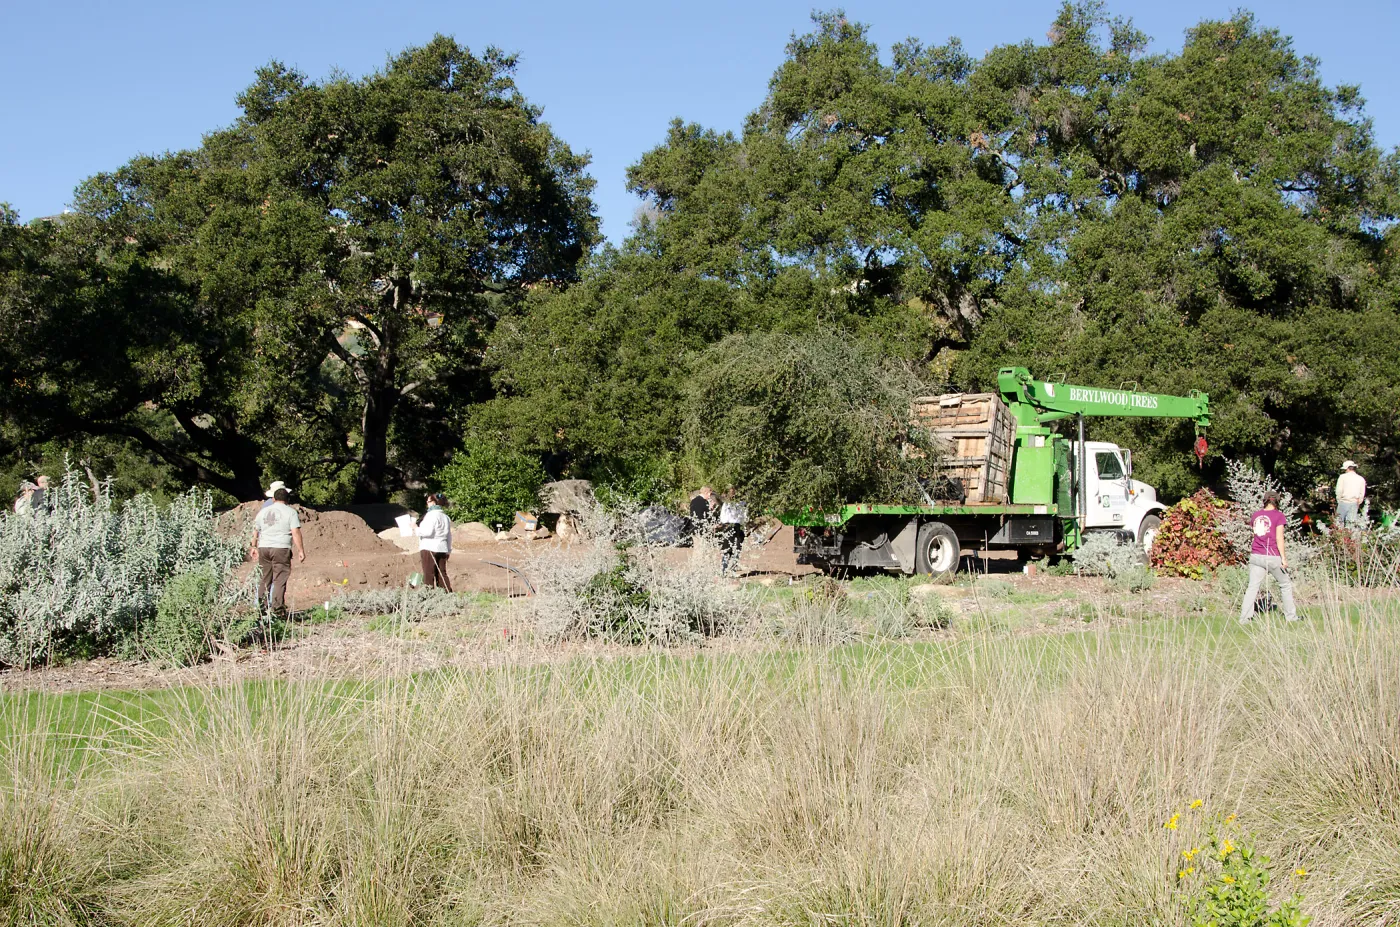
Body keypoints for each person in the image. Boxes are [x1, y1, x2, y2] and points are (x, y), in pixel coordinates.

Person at [1240, 490, 1298, 624]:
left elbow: (1255, 534)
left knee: (1252, 587)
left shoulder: (1256, 515)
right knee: (1285, 584)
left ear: (1265, 501)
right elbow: (1279, 538)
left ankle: (1245, 618)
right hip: (1272, 556)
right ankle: (1291, 616)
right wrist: (1283, 558)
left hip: (1256, 555)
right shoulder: (1279, 516)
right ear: (1277, 501)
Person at [250, 487, 305, 619]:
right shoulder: (290, 512)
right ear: (287, 500)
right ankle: (277, 610)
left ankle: (261, 610)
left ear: (273, 499)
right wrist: (300, 550)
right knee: (280, 578)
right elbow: (295, 532)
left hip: (264, 547)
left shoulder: (263, 512)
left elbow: (255, 530)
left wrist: (253, 546)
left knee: (264, 578)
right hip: (281, 548)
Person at [416, 493, 454, 592]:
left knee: (429, 574)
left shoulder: (431, 516)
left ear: (433, 503)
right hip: (442, 548)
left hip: (429, 547)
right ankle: (446, 595)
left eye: (428, 501)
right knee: (442, 574)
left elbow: (427, 532)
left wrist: (415, 528)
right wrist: (448, 550)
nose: (427, 503)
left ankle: (428, 597)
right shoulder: (445, 517)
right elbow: (449, 536)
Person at [718, 490, 748, 576]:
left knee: (736, 549)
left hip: (736, 526)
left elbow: (723, 518)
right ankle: (725, 570)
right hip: (730, 526)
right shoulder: (728, 504)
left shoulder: (741, 504)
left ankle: (731, 570)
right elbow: (723, 518)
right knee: (728, 549)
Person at [1335, 461, 1367, 528]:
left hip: (1343, 501)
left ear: (1347, 468)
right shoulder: (1361, 479)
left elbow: (1339, 490)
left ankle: (1339, 537)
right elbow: (1362, 494)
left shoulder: (1342, 477)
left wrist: (1338, 500)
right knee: (1351, 524)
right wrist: (1358, 502)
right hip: (1354, 503)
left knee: (1339, 523)